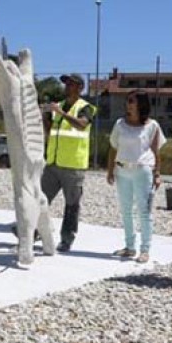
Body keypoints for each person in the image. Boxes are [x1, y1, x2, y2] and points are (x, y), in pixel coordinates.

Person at [106, 89, 166, 263]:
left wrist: (158, 173)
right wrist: (110, 170)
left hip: (143, 171)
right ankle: (129, 247)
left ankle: (145, 249)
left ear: (141, 103)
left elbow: (156, 151)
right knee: (126, 210)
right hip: (122, 170)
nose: (128, 103)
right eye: (128, 100)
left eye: (132, 100)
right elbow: (113, 148)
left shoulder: (152, 125)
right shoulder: (119, 124)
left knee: (144, 211)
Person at [42, 73, 96, 252]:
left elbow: (81, 124)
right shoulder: (60, 106)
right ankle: (34, 231)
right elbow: (51, 132)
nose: (67, 87)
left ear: (80, 88)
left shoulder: (86, 107)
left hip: (73, 165)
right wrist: (46, 117)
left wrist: (61, 113)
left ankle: (66, 239)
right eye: (66, 84)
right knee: (40, 199)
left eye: (71, 84)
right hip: (53, 163)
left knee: (72, 205)